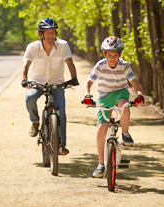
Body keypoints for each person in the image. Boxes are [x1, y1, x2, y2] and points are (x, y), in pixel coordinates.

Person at [82, 36, 144, 178]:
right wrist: (87, 96)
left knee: (124, 104)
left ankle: (125, 134)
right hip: (104, 96)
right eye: (109, 55)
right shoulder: (100, 65)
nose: (112, 58)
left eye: (116, 55)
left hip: (120, 92)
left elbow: (135, 83)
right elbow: (88, 83)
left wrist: (139, 95)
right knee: (101, 129)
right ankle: (101, 164)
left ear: (120, 54)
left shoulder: (124, 65)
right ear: (104, 54)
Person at [21, 18, 79, 155]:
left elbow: (70, 63)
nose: (51, 35)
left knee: (61, 113)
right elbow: (26, 66)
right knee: (29, 98)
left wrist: (74, 78)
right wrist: (24, 80)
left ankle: (61, 145)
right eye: (47, 33)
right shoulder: (33, 47)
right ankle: (35, 122)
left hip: (57, 83)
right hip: (37, 83)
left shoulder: (63, 45)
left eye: (53, 32)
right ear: (41, 34)